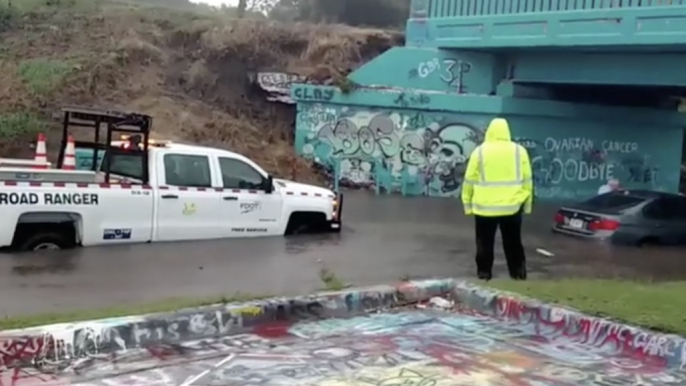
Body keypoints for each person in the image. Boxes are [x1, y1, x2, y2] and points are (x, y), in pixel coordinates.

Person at [461, 118, 533, 281]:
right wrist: (527, 206)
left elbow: (469, 179)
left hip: (484, 209)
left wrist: (467, 205)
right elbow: (528, 180)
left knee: (484, 243)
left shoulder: (480, 152)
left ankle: (484, 274)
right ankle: (518, 274)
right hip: (512, 207)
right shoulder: (519, 151)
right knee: (513, 243)